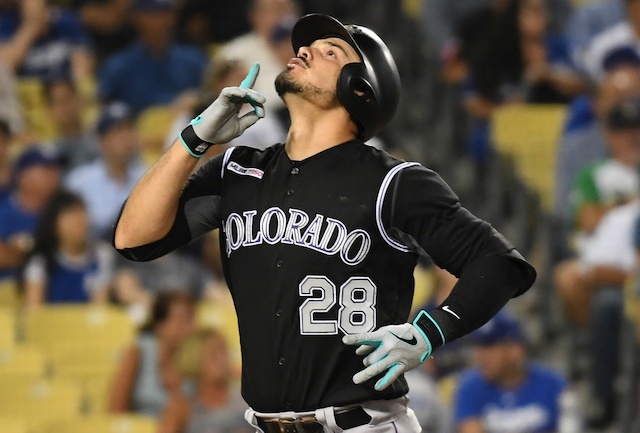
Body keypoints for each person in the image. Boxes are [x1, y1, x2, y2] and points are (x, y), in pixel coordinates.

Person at [113, 14, 536, 433]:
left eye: (328, 51)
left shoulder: (393, 182)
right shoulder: (237, 171)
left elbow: (499, 263)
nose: (304, 50)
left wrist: (429, 333)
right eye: (306, 47)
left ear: (360, 88)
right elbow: (134, 239)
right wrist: (193, 140)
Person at [453, 310, 579, 433]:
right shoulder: (470, 387)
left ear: (515, 350)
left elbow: (571, 428)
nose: (480, 356)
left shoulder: (553, 383)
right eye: (479, 348)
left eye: (490, 348)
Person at [98, 0, 208, 114]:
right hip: (135, 129)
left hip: (187, 127)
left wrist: (195, 102)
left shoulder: (193, 60)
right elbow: (105, 112)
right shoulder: (118, 67)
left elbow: (210, 101)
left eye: (167, 12)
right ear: (136, 17)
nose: (163, 21)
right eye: (155, 13)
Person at [65, 101, 146, 240]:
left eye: (129, 130)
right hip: (96, 252)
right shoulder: (79, 181)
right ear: (101, 140)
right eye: (118, 131)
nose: (125, 137)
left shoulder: (146, 176)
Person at [108, 291, 196, 418]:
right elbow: (116, 410)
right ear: (159, 325)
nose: (190, 328)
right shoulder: (137, 352)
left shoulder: (198, 356)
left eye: (191, 319)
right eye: (181, 320)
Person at [22, 189, 112, 307]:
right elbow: (34, 314)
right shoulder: (40, 262)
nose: (79, 221)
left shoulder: (102, 254)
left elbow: (100, 308)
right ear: (54, 224)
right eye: (70, 216)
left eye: (81, 213)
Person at [159, 328, 251, 433]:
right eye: (214, 356)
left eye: (224, 352)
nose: (222, 360)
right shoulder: (182, 408)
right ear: (196, 361)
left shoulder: (246, 399)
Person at [0, 145, 61, 284]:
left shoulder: (63, 212)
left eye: (55, 169)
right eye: (46, 169)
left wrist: (20, 252)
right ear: (22, 176)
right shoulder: (4, 211)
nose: (55, 174)